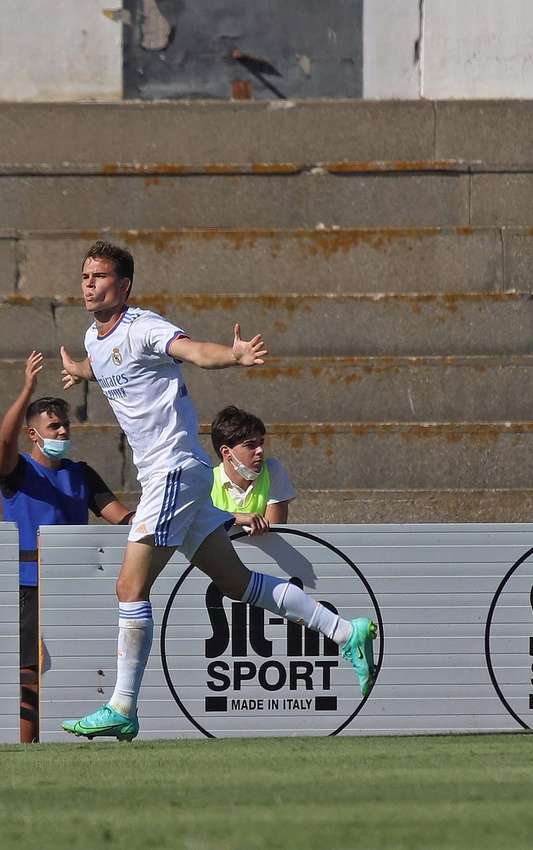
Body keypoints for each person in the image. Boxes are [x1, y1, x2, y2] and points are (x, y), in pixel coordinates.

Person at [56, 241, 375, 741]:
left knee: (129, 588)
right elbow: (103, 363)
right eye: (84, 276)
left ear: (124, 285)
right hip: (182, 477)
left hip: (173, 473)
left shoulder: (144, 327)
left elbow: (193, 351)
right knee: (237, 584)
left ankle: (122, 706)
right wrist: (79, 370)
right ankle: (343, 631)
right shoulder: (94, 339)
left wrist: (234, 355)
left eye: (99, 276)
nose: (89, 284)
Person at [0, 351, 132, 743]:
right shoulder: (18, 470)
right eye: (54, 427)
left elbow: (121, 517)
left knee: (86, 663)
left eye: (66, 426)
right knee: (31, 669)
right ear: (33, 434)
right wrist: (26, 391)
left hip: (76, 587)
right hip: (30, 584)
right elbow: (5, 439)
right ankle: (28, 744)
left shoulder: (81, 473)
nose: (63, 433)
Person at [209, 405, 296, 536]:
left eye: (261, 443)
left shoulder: (272, 470)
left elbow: (273, 536)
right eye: (250, 445)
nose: (260, 450)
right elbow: (192, 523)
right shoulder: (207, 480)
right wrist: (234, 518)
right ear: (226, 452)